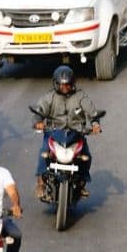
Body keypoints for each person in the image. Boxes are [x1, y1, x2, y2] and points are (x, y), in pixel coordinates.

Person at [33, 66, 102, 200]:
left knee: (86, 156)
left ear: (73, 83)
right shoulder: (49, 97)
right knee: (43, 152)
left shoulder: (80, 96)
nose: (65, 87)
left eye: (68, 84)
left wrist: (95, 125)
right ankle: (40, 183)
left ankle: (82, 183)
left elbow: (92, 112)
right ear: (56, 84)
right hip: (53, 132)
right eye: (62, 84)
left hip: (76, 133)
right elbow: (39, 110)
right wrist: (38, 122)